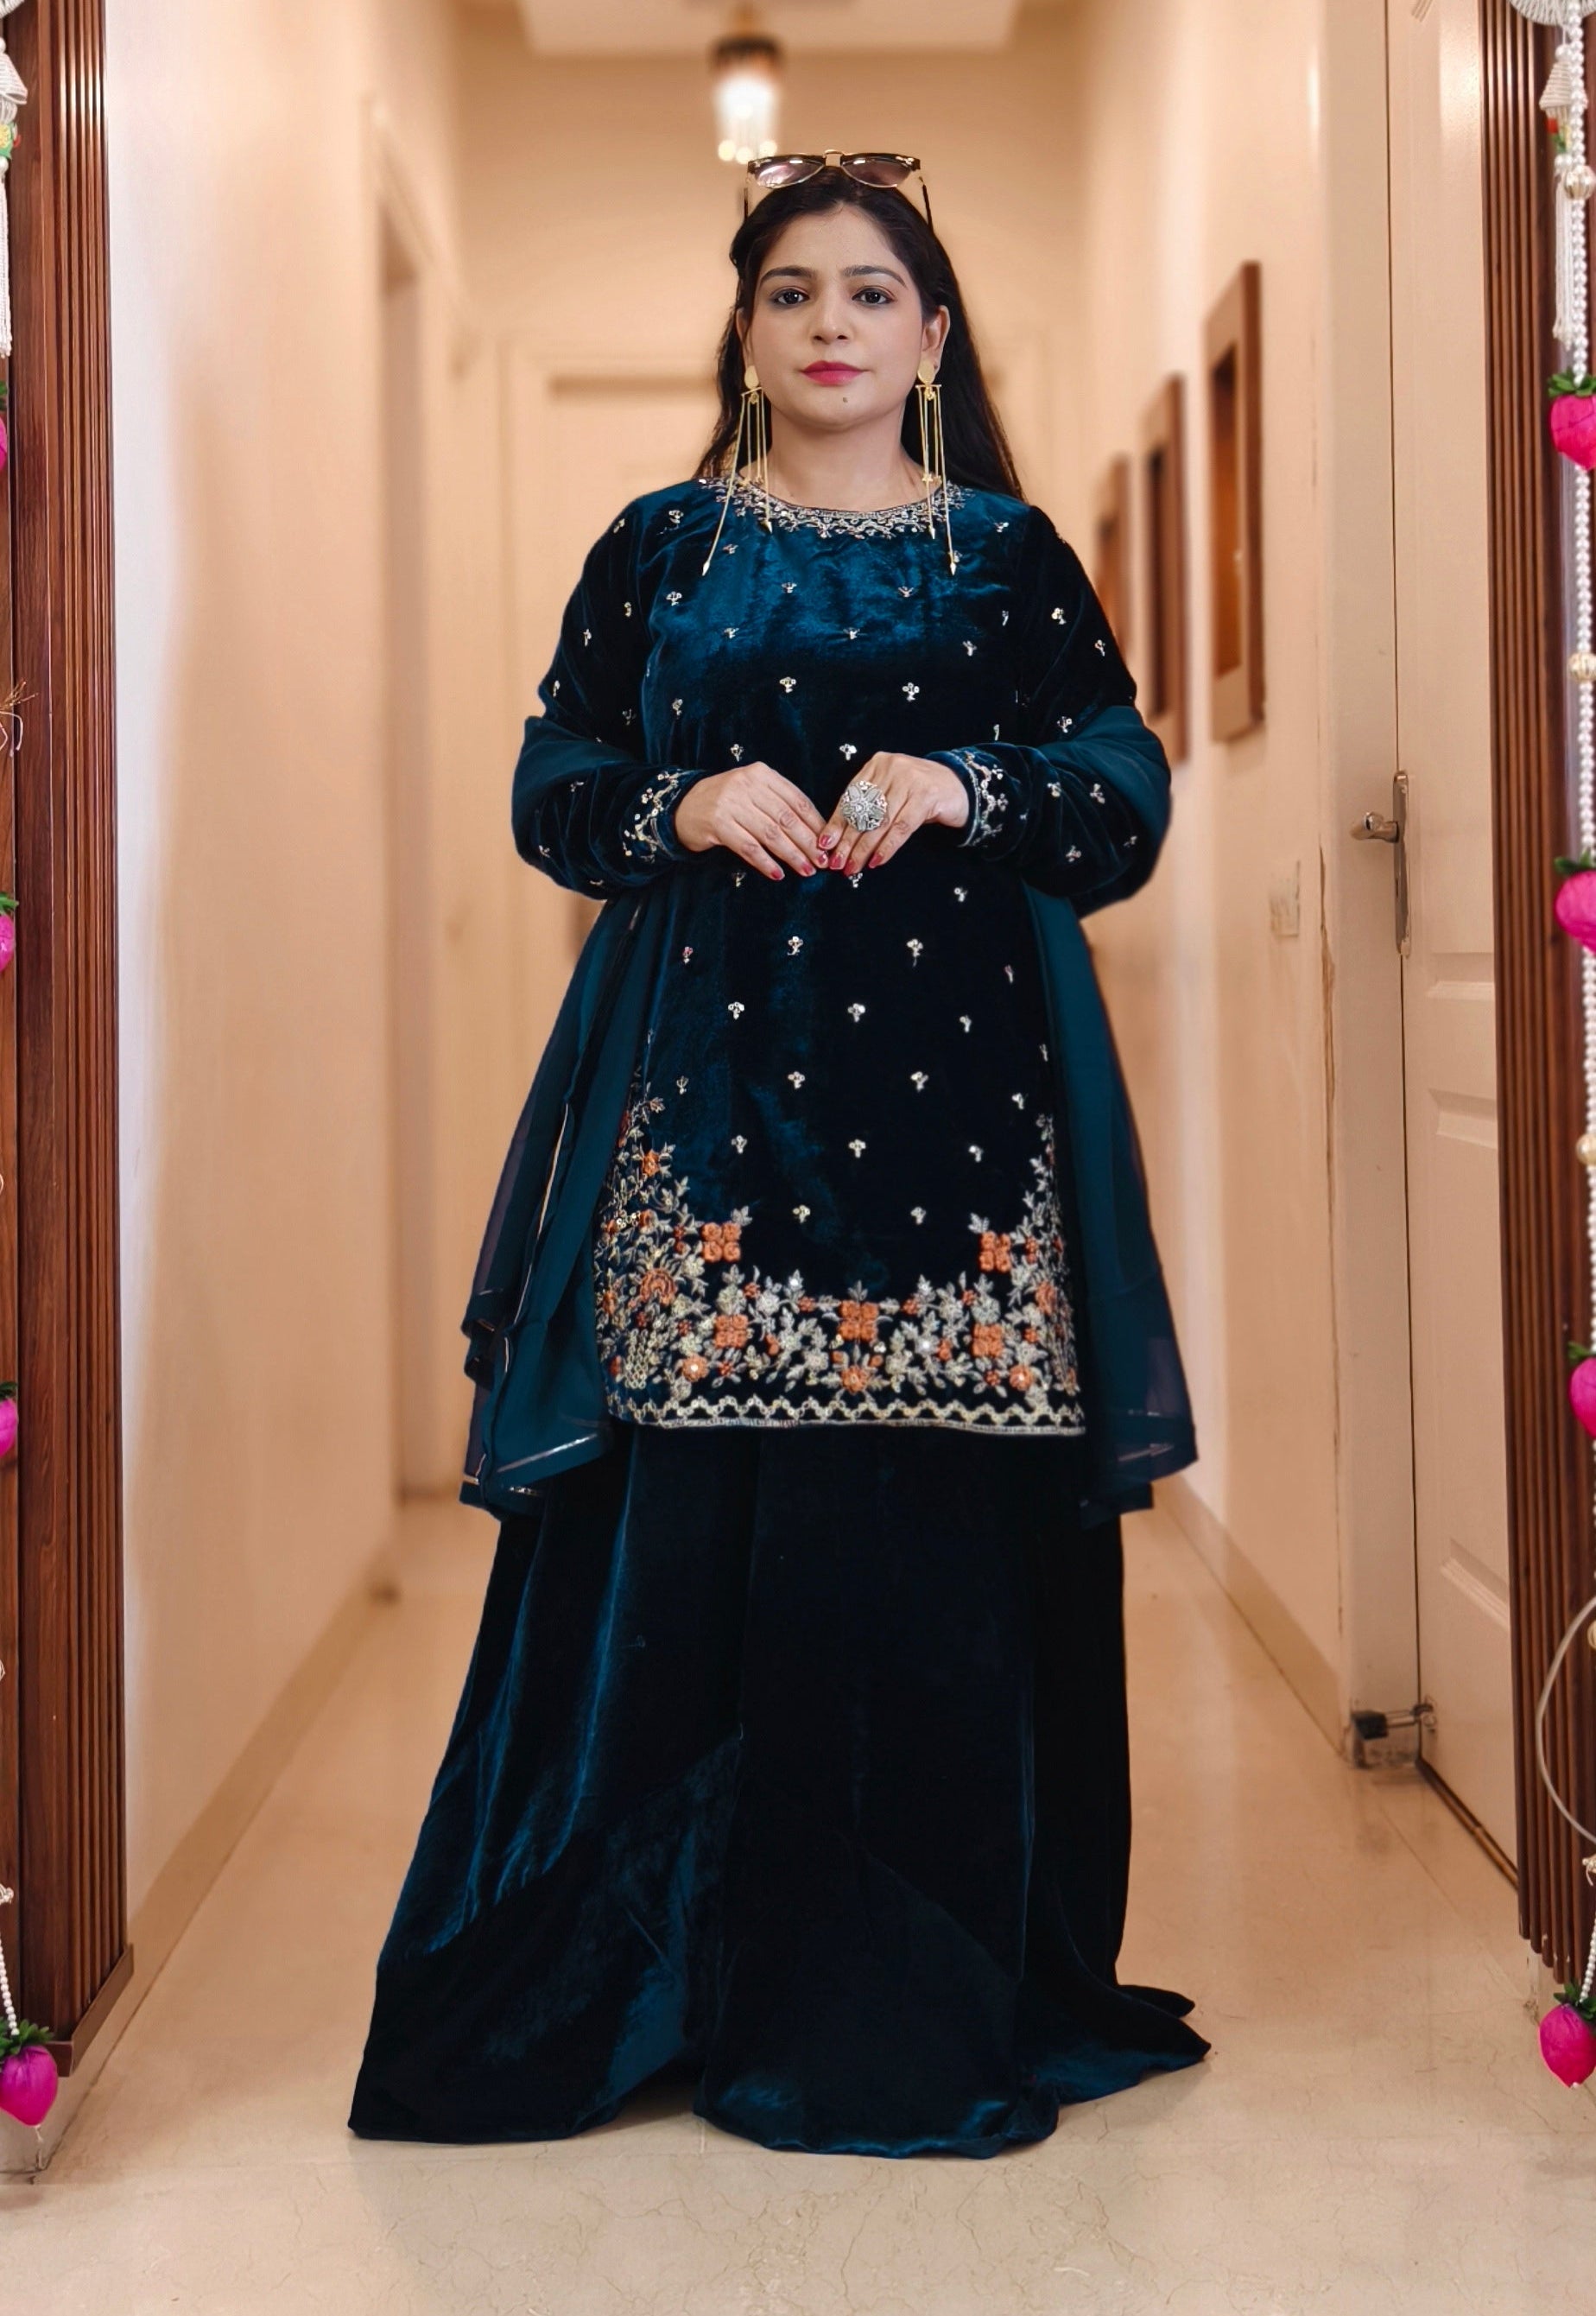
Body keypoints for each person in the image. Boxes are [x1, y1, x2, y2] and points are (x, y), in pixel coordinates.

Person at [349, 155, 1208, 2160]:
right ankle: (664, 1980)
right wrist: (679, 801)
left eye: (872, 292)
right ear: (744, 333)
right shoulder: (662, 545)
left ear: (932, 334)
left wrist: (973, 783)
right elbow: (554, 779)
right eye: (794, 292)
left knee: (925, 1560)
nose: (833, 323)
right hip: (711, 1113)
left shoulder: (1007, 557)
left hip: (958, 1126)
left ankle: (902, 1996)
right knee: (691, 1547)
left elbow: (1120, 788)